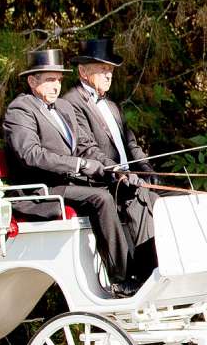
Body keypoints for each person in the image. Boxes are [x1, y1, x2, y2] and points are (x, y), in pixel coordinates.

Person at [0, 46, 142, 297]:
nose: (56, 85)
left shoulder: (64, 108)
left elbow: (85, 148)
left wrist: (112, 169)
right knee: (101, 199)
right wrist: (78, 166)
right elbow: (30, 154)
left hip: (69, 184)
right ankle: (122, 278)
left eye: (59, 80)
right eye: (50, 80)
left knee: (120, 189)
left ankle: (144, 267)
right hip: (41, 190)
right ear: (33, 81)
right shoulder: (20, 110)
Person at [62, 37, 158, 282]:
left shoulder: (112, 106)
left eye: (110, 70)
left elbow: (131, 144)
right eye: (102, 69)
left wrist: (147, 169)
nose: (109, 75)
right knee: (142, 200)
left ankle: (159, 268)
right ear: (83, 72)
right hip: (103, 180)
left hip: (128, 178)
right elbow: (86, 148)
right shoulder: (71, 103)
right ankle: (138, 276)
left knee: (163, 198)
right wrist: (118, 171)